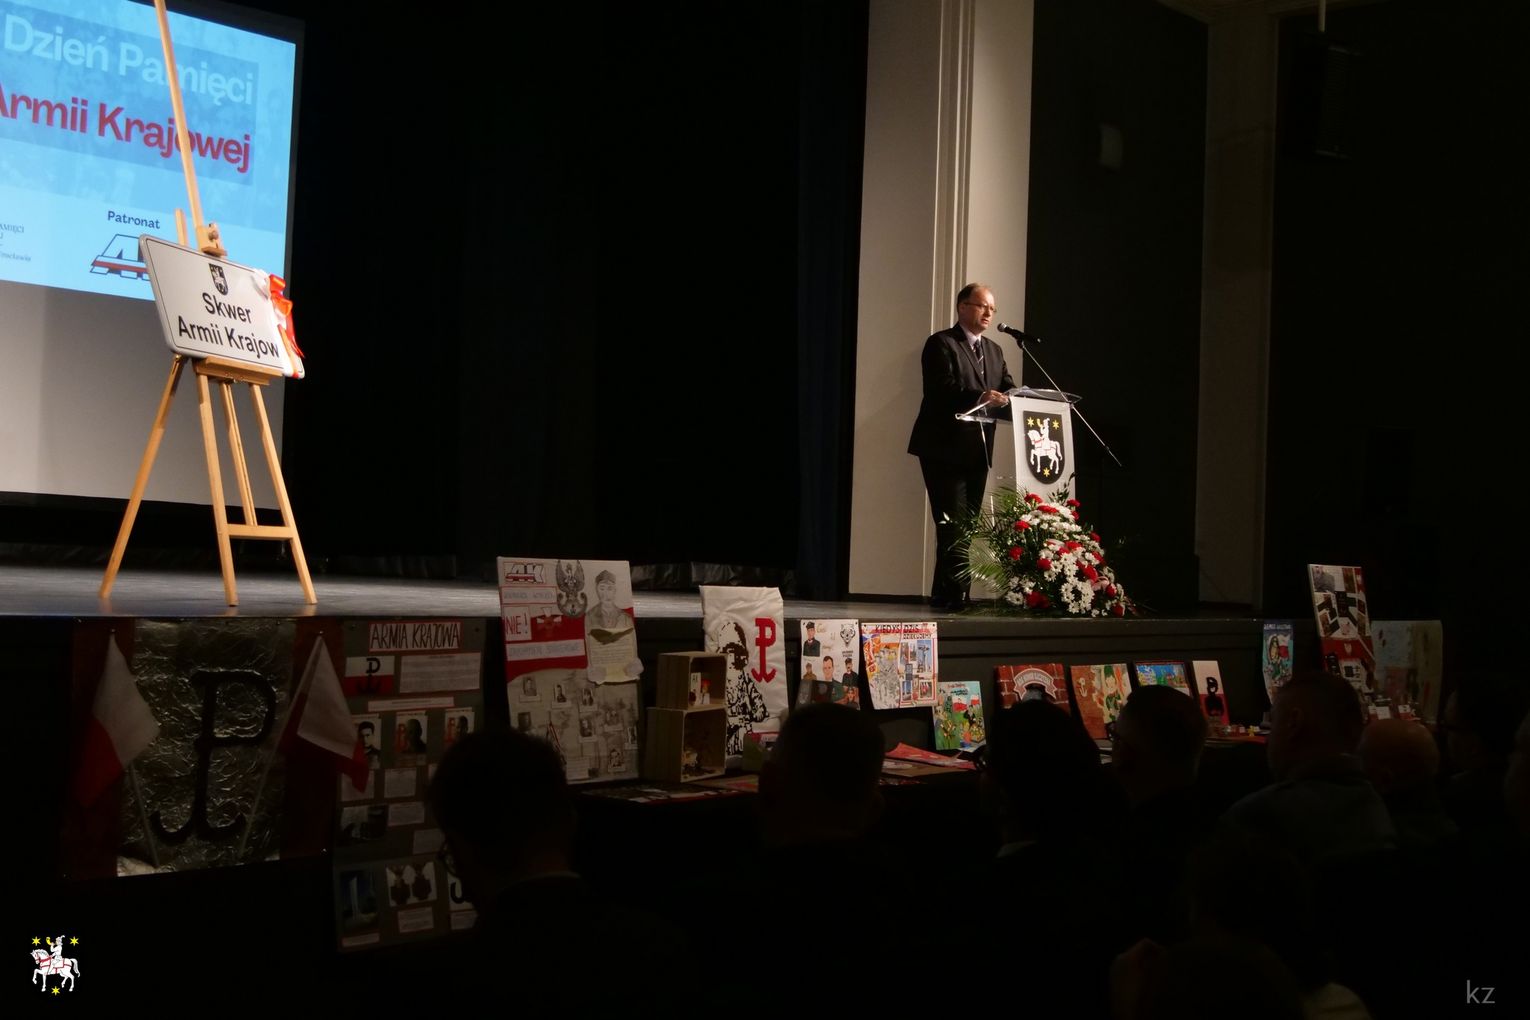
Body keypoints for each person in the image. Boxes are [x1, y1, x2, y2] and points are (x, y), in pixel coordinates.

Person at [907, 282, 1015, 610]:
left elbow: (1007, 387)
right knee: (951, 525)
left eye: (992, 309)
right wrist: (980, 396)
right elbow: (941, 388)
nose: (988, 313)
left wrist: (1016, 398)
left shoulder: (994, 350)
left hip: (977, 450)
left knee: (965, 527)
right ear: (963, 306)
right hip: (943, 448)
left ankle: (947, 594)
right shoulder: (941, 343)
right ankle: (954, 596)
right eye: (982, 306)